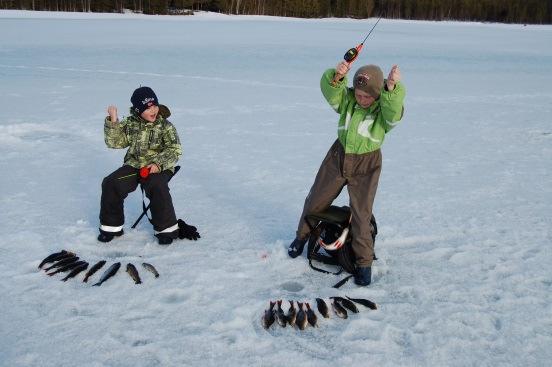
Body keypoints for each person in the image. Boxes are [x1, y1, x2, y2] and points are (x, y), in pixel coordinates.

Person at [287, 60, 406, 286]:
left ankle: (363, 263)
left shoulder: (383, 110)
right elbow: (331, 91)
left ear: (378, 94)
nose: (361, 100)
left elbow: (394, 112)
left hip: (367, 164)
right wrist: (337, 77)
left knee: (361, 214)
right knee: (316, 199)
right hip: (338, 156)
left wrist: (392, 89)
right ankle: (301, 238)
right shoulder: (347, 100)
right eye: (359, 94)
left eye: (367, 97)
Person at [97, 86, 199, 245]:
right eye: (147, 108)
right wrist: (113, 121)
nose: (153, 110)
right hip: (135, 165)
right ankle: (111, 227)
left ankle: (166, 230)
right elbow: (115, 143)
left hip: (160, 166)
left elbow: (175, 150)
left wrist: (158, 164)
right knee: (111, 183)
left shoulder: (166, 126)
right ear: (138, 110)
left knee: (156, 184)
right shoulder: (131, 124)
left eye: (155, 106)